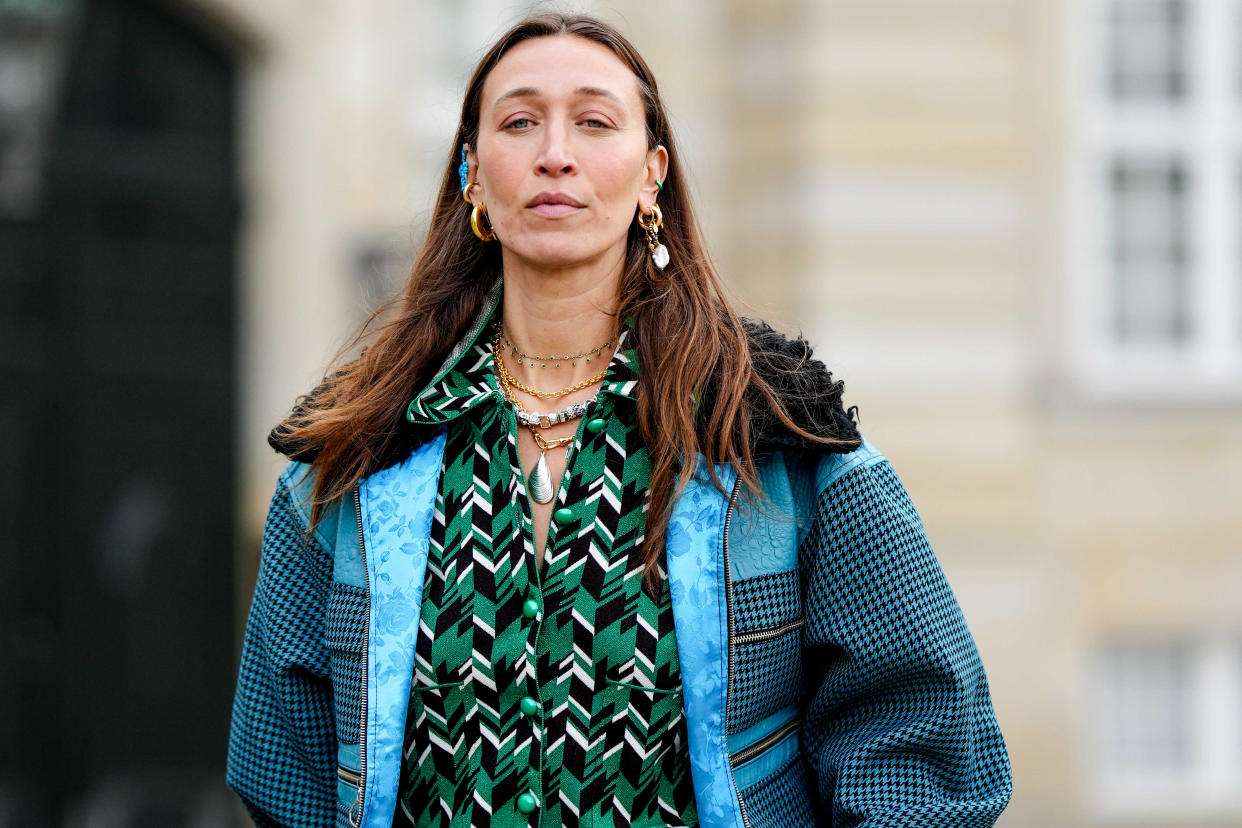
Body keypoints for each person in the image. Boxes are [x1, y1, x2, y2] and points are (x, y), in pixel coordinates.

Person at [225, 12, 1012, 828]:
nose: (554, 153)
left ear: (651, 174)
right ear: (471, 174)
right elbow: (284, 770)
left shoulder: (774, 436)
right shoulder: (355, 460)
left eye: (595, 122)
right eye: (520, 121)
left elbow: (921, 735)